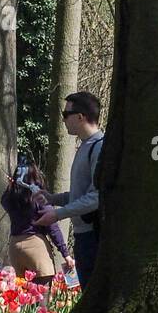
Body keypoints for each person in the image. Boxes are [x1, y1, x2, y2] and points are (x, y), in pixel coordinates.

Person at [36, 92, 103, 287]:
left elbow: (96, 196)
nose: (63, 120)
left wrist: (58, 215)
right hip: (83, 234)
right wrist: (53, 198)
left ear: (80, 117)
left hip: (94, 234)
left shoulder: (98, 147)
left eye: (65, 115)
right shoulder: (85, 147)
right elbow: (80, 194)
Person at [1, 162, 75, 284]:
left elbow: (3, 200)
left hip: (14, 246)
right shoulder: (38, 198)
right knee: (42, 295)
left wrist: (11, 186)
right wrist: (65, 254)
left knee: (23, 296)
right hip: (35, 246)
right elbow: (52, 227)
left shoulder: (10, 199)